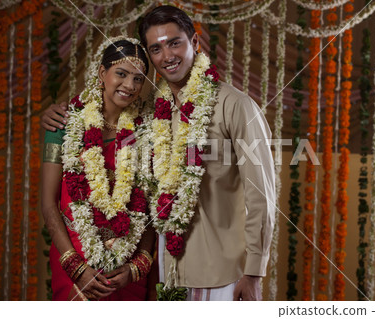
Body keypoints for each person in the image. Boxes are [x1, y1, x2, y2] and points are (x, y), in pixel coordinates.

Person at [42, 5, 275, 301]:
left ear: (195, 43)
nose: (167, 56)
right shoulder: (153, 115)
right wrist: (53, 115)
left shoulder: (235, 106)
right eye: (156, 48)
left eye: (175, 43)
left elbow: (262, 197)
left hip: (223, 274)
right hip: (166, 273)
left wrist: (254, 274)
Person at [41, 36, 156, 301]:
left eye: (138, 78)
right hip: (75, 258)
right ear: (102, 73)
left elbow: (151, 207)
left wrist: (138, 266)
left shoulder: (148, 131)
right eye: (121, 73)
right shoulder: (64, 123)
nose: (129, 85)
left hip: (127, 267)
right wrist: (75, 266)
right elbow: (48, 203)